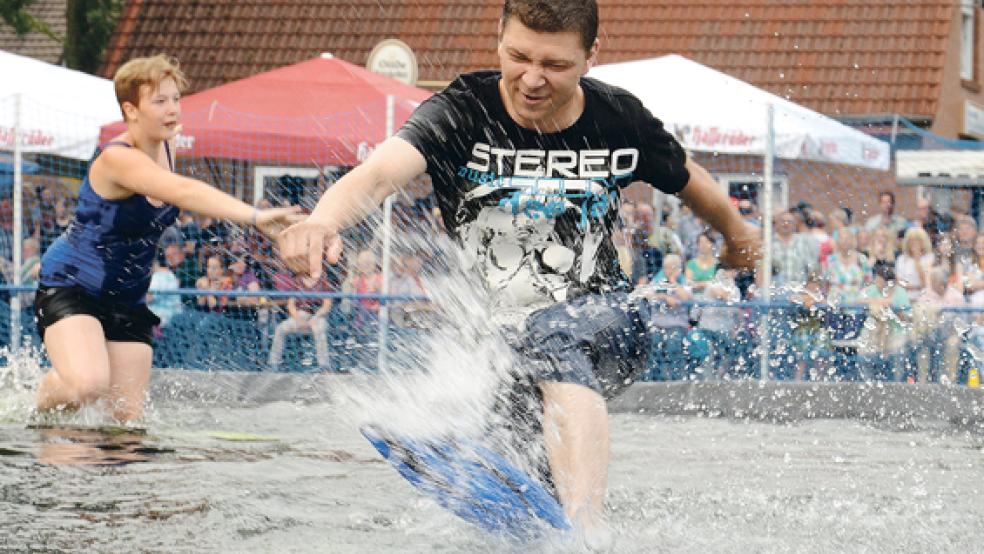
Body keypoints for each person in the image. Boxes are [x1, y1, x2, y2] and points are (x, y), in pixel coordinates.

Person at [277, 0, 760, 543]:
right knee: (529, 488)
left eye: (554, 65)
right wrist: (322, 220)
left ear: (590, 55)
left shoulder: (618, 118)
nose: (532, 79)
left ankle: (588, 533)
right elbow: (378, 175)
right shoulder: (461, 111)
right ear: (499, 38)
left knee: (556, 339)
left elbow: (690, 178)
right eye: (518, 56)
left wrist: (740, 237)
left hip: (607, 319)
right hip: (505, 344)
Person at [34, 54, 300, 422]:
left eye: (175, 98)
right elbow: (181, 190)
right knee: (88, 386)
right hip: (73, 283)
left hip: (127, 294)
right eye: (159, 101)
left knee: (126, 421)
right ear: (131, 109)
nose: (172, 109)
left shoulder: (168, 147)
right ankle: (36, 399)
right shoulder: (116, 159)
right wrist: (253, 216)